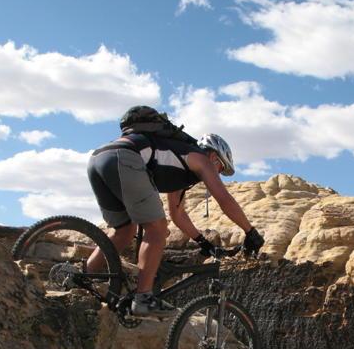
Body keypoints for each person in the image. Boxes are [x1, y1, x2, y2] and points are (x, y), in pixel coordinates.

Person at [86, 123, 264, 317]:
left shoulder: (179, 163)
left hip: (99, 159)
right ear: (214, 157)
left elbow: (177, 214)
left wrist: (202, 241)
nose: (218, 173)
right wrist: (250, 232)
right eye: (221, 168)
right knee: (157, 229)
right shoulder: (200, 159)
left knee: (124, 230)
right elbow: (224, 199)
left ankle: (82, 279)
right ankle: (143, 298)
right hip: (124, 158)